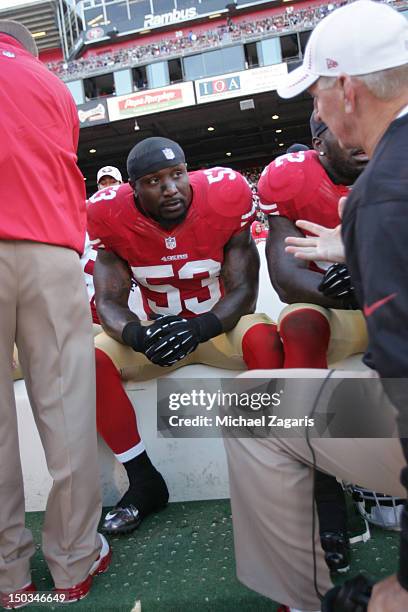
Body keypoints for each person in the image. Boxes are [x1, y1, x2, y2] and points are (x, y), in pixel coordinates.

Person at [224, 2, 408, 611]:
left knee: (251, 406)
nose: (317, 112)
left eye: (318, 95)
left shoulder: (382, 194)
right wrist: (354, 243)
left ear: (348, 91)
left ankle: (304, 600)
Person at [87, 137, 283, 535]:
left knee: (265, 338)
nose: (171, 187)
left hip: (217, 326)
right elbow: (108, 300)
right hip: (158, 334)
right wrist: (138, 336)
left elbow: (244, 290)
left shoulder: (224, 194)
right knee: (92, 357)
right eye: (155, 180)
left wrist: (199, 327)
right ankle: (144, 481)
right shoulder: (109, 212)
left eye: (177, 174)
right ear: (133, 187)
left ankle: (275, 468)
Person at [0, 20, 111, 608]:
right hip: (48, 249)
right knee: (65, 411)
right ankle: (72, 564)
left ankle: (8, 578)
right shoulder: (48, 81)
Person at [259, 113, 368, 370]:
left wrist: (368, 285)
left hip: (394, 301)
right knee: (299, 323)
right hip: (334, 305)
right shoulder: (291, 179)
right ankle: (310, 410)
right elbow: (286, 281)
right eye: (345, 129)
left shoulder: (396, 166)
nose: (360, 137)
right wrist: (353, 296)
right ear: (319, 145)